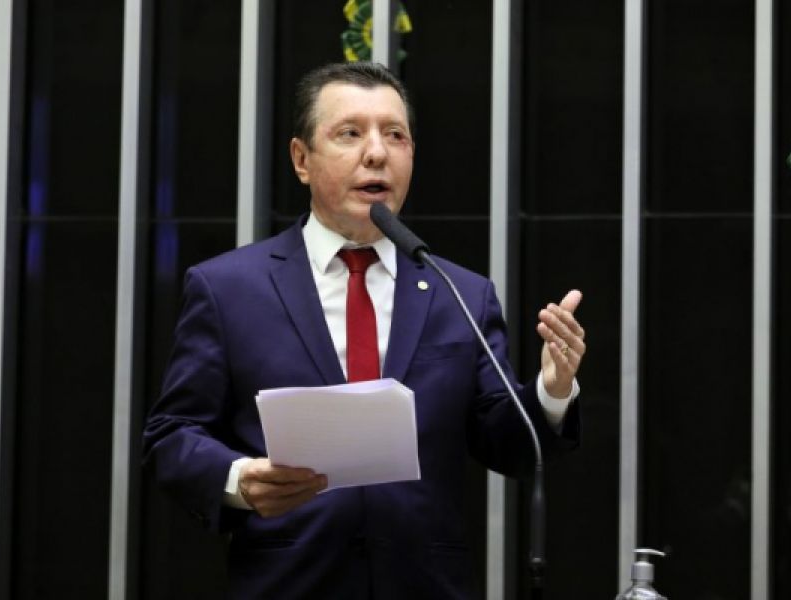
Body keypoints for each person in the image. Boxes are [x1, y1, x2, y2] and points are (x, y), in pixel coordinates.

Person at [143, 62, 585, 599]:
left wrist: (553, 389)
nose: (376, 152)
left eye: (395, 135)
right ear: (301, 160)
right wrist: (240, 479)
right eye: (350, 133)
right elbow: (173, 435)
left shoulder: (459, 293)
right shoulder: (229, 288)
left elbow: (508, 445)